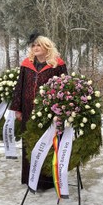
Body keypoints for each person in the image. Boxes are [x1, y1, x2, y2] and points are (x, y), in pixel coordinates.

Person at [10, 33, 68, 190]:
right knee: (29, 142)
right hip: (28, 111)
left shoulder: (57, 65)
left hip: (48, 112)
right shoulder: (26, 64)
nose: (35, 48)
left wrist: (60, 111)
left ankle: (46, 181)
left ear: (46, 46)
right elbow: (19, 86)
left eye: (38, 45)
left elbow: (64, 87)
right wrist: (17, 108)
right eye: (33, 45)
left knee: (46, 143)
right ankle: (30, 178)